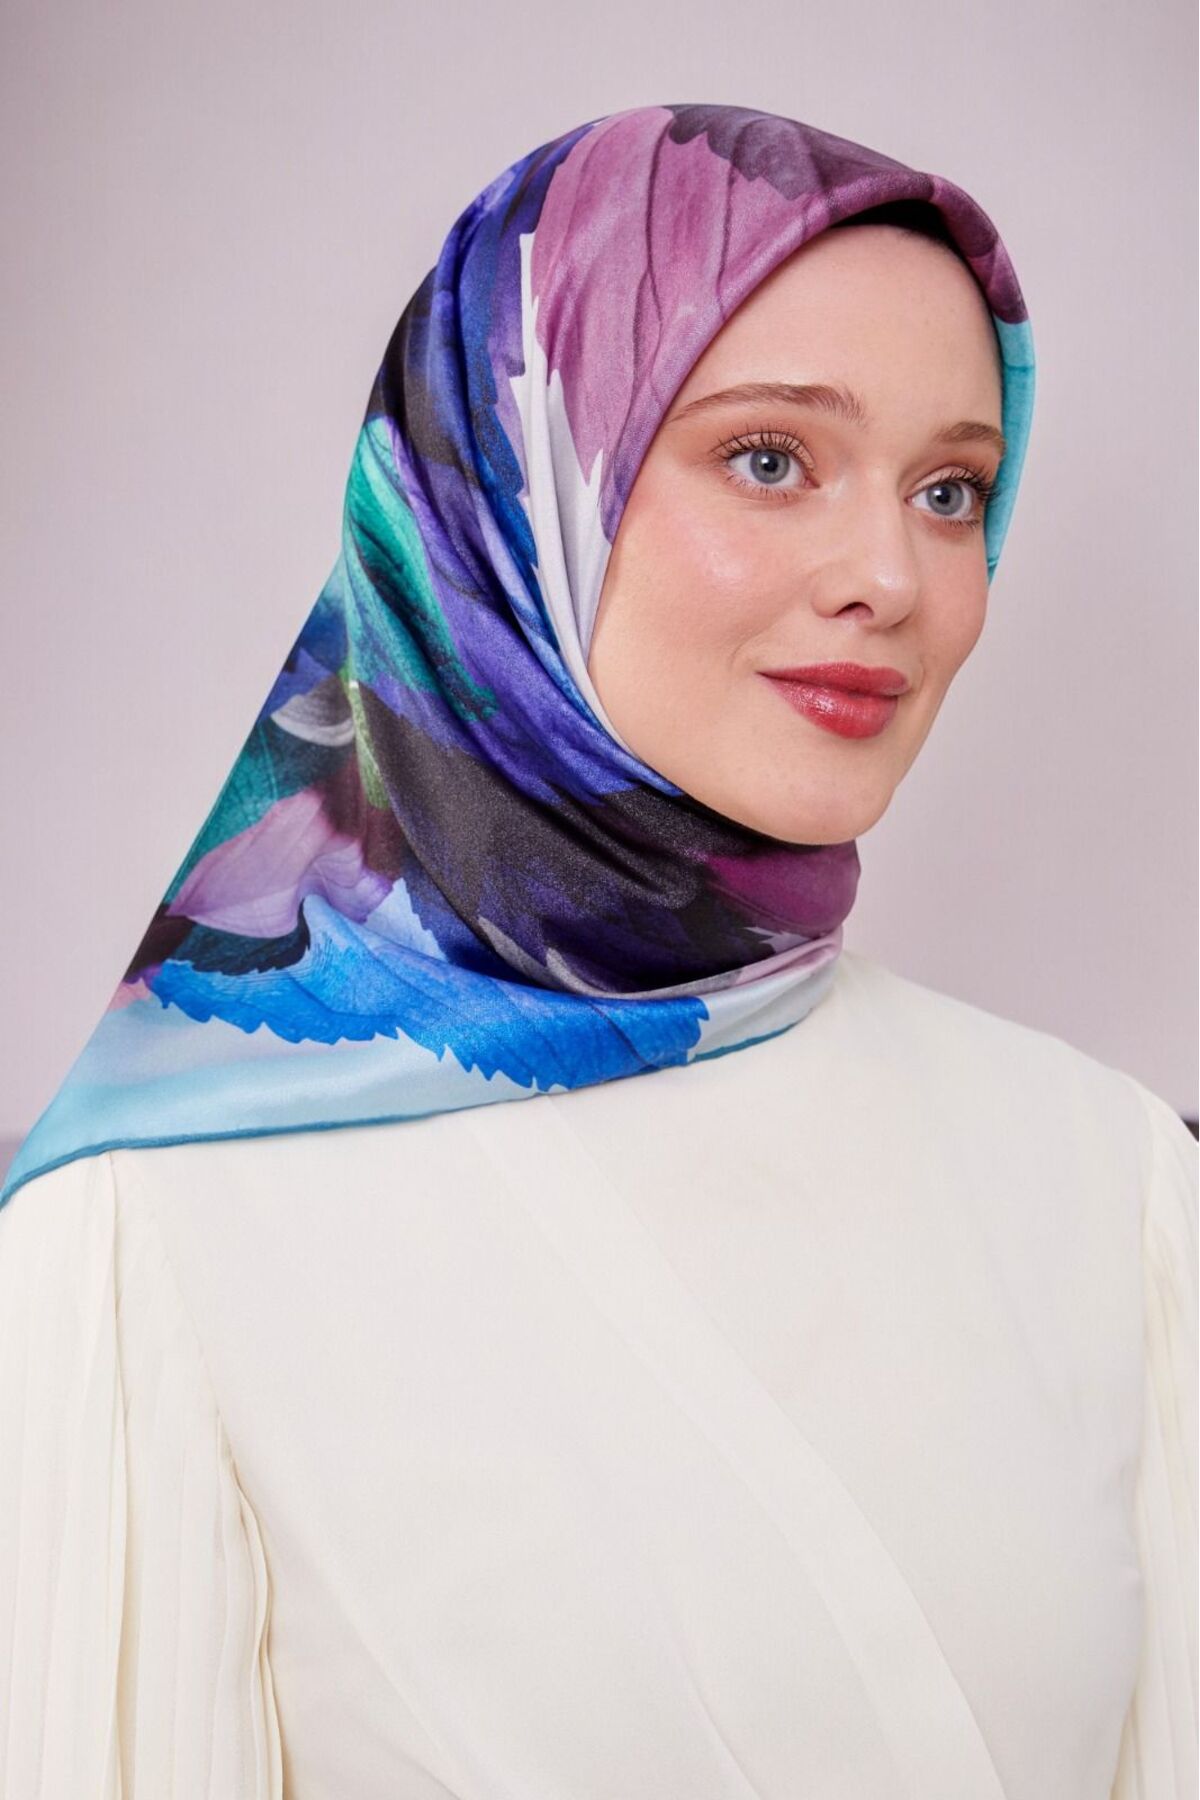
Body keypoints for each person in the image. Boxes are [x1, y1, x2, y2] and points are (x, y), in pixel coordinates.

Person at [0, 103, 1194, 1800]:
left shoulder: (1108, 1179)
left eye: (951, 491)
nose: (892, 575)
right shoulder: (154, 1232)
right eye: (770, 457)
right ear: (509, 480)